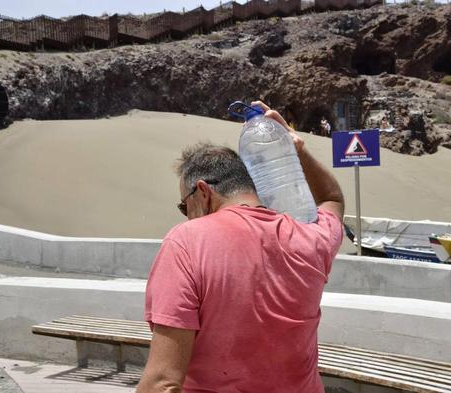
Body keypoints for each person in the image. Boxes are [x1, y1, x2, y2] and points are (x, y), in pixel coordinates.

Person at [137, 101, 344, 393]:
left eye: (185, 206)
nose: (185, 215)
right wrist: (296, 149)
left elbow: (162, 383)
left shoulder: (186, 243)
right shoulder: (312, 238)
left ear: (203, 192)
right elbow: (331, 200)